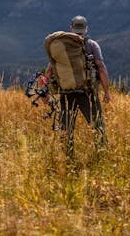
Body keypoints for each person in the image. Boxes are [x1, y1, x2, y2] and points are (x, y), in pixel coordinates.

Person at [44, 15, 111, 157]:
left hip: (66, 93)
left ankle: (68, 158)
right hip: (87, 93)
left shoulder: (61, 47)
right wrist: (107, 91)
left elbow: (49, 70)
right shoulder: (92, 45)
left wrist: (45, 92)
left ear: (71, 28)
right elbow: (101, 68)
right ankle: (101, 155)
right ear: (86, 29)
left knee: (66, 128)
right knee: (97, 126)